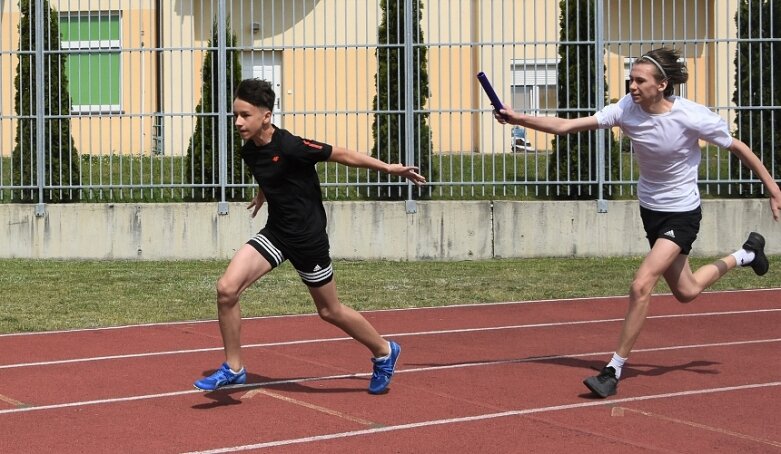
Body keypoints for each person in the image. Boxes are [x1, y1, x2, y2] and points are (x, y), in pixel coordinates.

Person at [494, 47, 781, 398]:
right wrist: (517, 118)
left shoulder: (692, 117)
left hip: (682, 214)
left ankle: (613, 370)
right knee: (687, 291)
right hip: (651, 211)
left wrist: (772, 187)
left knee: (641, 284)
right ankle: (747, 254)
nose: (632, 85)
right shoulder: (626, 109)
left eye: (640, 80)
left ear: (661, 84)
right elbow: (566, 126)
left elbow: (739, 147)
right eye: (630, 79)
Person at [194, 78, 426, 394]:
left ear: (266, 116)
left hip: (308, 239)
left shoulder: (292, 146)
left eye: (245, 115)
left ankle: (385, 351)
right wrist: (264, 193)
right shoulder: (249, 151)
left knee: (329, 311)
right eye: (235, 114)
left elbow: (342, 154)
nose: (237, 122)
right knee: (226, 289)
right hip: (276, 233)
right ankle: (234, 368)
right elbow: (270, 172)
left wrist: (389, 169)